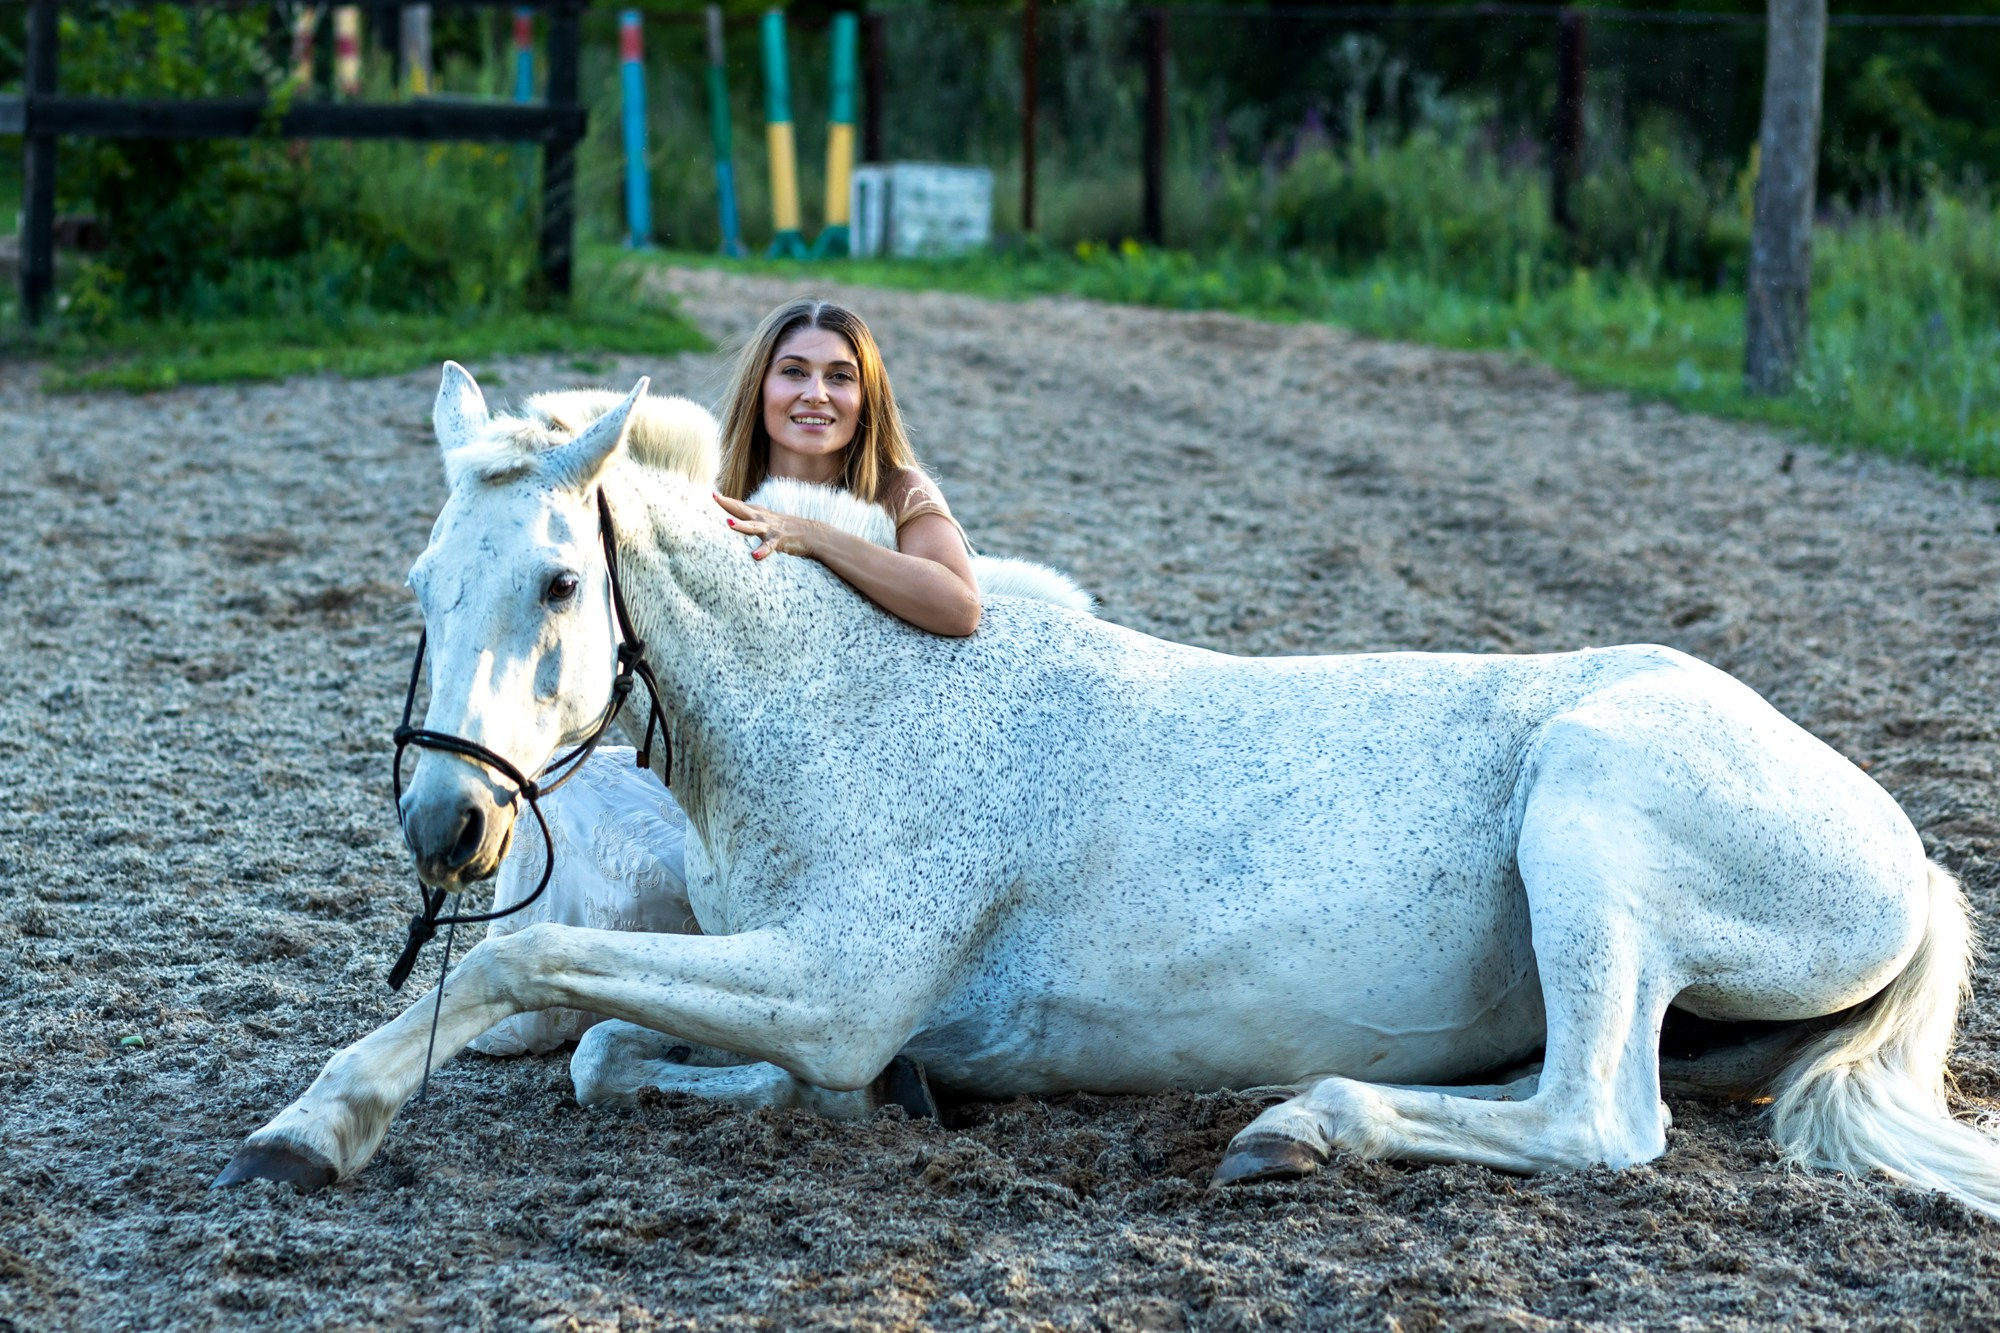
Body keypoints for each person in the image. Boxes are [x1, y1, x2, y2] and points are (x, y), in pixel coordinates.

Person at [470, 297, 983, 1054]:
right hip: (735, 775)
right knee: (562, 782)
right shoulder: (716, 490)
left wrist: (812, 536)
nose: (816, 394)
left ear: (866, 398)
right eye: (794, 372)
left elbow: (959, 602)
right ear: (762, 387)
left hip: (857, 792)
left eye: (841, 377)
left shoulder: (896, 488)